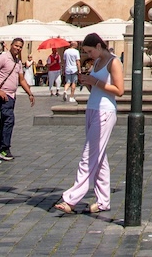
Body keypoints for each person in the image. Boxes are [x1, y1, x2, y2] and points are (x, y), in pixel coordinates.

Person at [55, 32, 123, 215]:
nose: (88, 55)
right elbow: (97, 87)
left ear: (99, 47)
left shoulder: (113, 62)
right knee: (99, 158)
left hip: (105, 111)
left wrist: (95, 81)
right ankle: (103, 202)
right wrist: (87, 82)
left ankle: (72, 199)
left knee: (88, 155)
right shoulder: (97, 62)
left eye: (89, 51)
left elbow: (119, 90)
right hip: (92, 109)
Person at [0, 38, 35, 162]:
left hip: (12, 96)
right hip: (3, 95)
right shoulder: (2, 58)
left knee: (5, 120)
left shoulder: (18, 62)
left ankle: (0, 148)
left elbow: (21, 80)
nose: (18, 48)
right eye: (16, 46)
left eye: (20, 47)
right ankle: (4, 148)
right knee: (9, 119)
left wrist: (29, 93)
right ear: (11, 45)